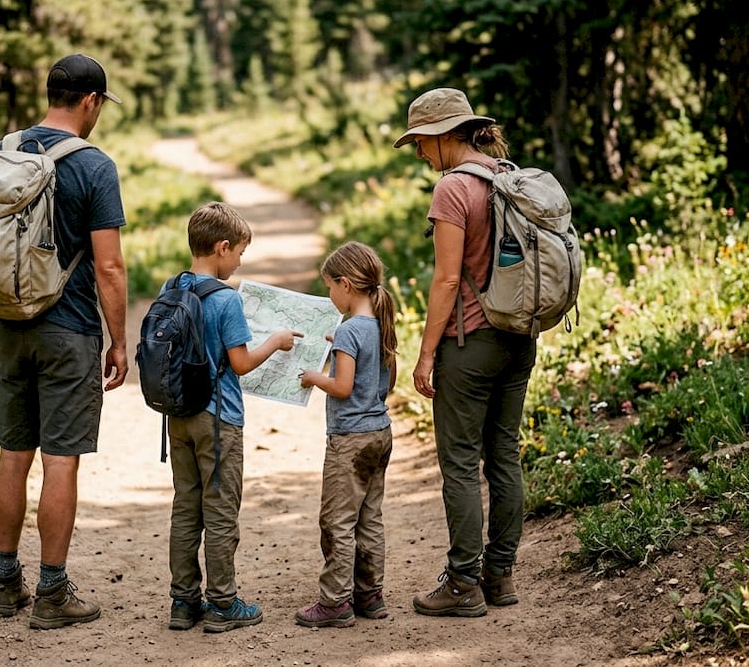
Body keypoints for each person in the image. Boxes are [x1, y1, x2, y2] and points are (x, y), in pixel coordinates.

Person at [0, 53, 128, 630]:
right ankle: (51, 591)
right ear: (91, 100)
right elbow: (110, 267)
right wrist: (120, 341)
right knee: (61, 460)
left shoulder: (4, 151)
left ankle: (2, 582)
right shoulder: (94, 165)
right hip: (67, 329)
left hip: (7, 324)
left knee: (13, 455)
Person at [394, 87, 534, 617]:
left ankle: (462, 584)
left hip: (470, 343)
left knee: (458, 463)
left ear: (443, 136)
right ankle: (500, 578)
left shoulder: (454, 189)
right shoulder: (507, 175)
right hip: (519, 338)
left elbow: (448, 279)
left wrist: (427, 354)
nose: (420, 156)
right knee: (504, 455)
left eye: (421, 145)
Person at [165, 201, 302, 633]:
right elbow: (240, 363)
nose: (240, 261)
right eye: (240, 252)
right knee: (221, 510)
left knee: (186, 508)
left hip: (178, 414)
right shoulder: (225, 299)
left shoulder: (172, 287)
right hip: (218, 418)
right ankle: (222, 603)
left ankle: (184, 602)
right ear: (222, 247)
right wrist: (277, 341)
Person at [295, 241, 398, 628]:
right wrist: (342, 351)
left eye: (329, 288)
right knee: (370, 517)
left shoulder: (348, 330)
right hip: (380, 433)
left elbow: (341, 387)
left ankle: (335, 601)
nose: (330, 296)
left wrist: (313, 376)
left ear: (346, 285)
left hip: (349, 440)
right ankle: (370, 594)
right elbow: (386, 379)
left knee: (337, 520)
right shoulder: (380, 323)